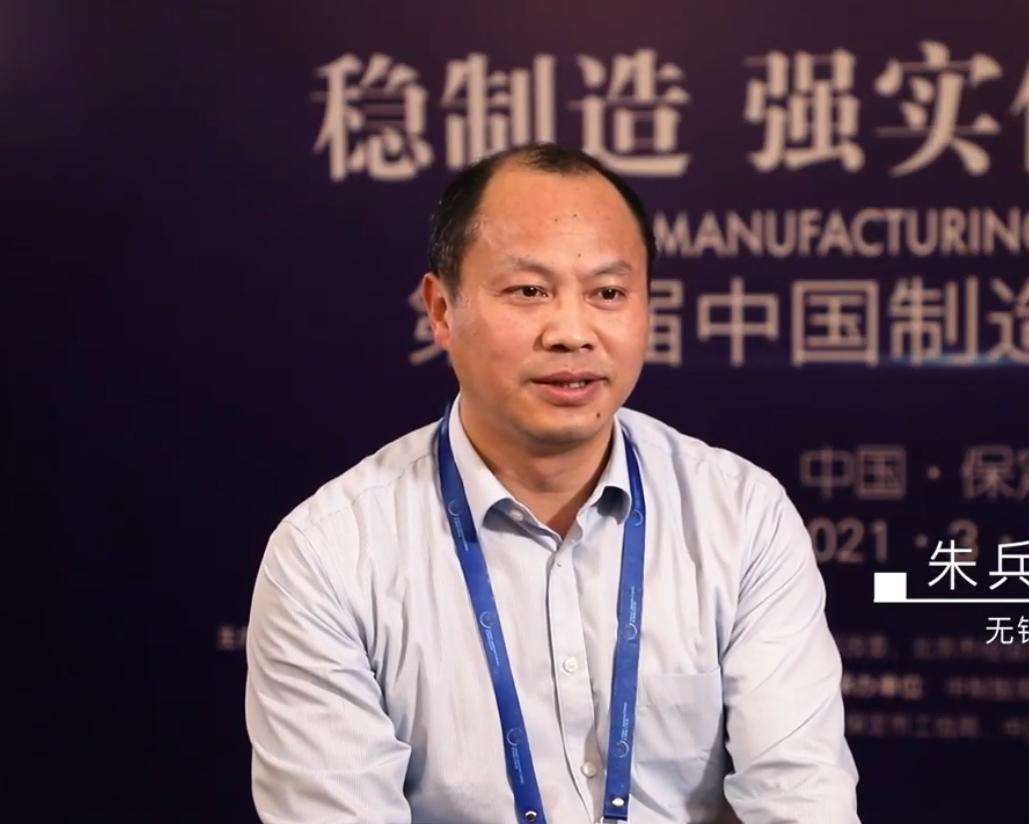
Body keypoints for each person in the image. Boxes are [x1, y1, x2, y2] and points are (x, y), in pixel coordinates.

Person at [244, 143, 860, 824]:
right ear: (441, 310)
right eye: (529, 291)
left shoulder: (741, 517)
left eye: (608, 293)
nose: (572, 332)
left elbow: (801, 799)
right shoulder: (329, 557)